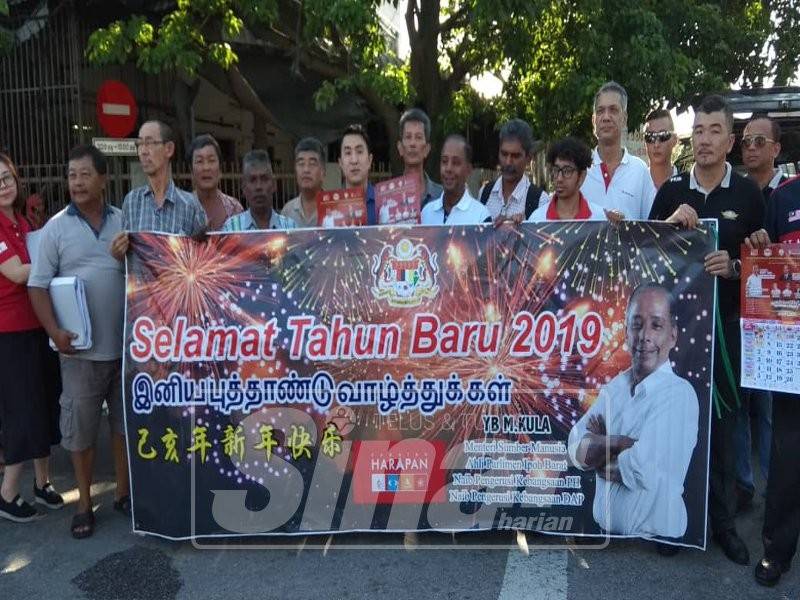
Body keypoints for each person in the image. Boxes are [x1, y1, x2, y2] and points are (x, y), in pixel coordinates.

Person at [649, 94, 765, 565]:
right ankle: (672, 523)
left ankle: (722, 525)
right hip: (676, 337)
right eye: (697, 130)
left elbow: (764, 263)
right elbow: (645, 254)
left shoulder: (748, 195)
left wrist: (736, 266)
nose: (704, 139)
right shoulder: (672, 191)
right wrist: (669, 226)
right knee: (671, 428)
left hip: (728, 330)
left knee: (722, 429)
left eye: (714, 130)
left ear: (730, 140)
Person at [28, 145, 129, 538]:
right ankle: (84, 503)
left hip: (124, 349)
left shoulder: (123, 222)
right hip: (80, 353)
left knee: (123, 427)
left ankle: (122, 494)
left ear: (103, 179)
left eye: (85, 174)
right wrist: (54, 332)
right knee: (80, 432)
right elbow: (37, 287)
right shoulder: (56, 228)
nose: (77, 182)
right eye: (72, 175)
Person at [567, 283, 698, 539]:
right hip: (608, 544)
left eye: (656, 325)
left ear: (672, 335)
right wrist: (619, 442)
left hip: (657, 546)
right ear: (626, 332)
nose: (644, 336)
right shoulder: (614, 388)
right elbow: (574, 451)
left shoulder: (679, 394)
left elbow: (641, 468)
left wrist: (598, 446)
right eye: (636, 324)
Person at [0, 153, 63, 523]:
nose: (4, 185)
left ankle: (43, 483)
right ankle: (7, 492)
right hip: (10, 333)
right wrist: (56, 259)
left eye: (8, 178)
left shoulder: (22, 222)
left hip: (39, 325)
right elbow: (18, 273)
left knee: (44, 402)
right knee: (22, 408)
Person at [746, 174, 800, 587]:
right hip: (791, 346)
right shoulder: (784, 196)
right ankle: (776, 551)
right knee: (787, 456)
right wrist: (757, 250)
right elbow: (765, 263)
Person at [110, 120, 207, 260]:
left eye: (149, 143)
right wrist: (118, 252)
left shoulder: (190, 206)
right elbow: (128, 260)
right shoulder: (131, 202)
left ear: (169, 149)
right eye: (140, 144)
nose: (143, 151)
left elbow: (202, 260)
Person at [581, 81, 655, 220]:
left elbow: (653, 227)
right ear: (593, 121)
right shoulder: (580, 170)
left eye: (613, 110)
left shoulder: (640, 171)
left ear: (624, 119)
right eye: (600, 111)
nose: (606, 117)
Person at [478, 118, 548, 223]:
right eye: (504, 154)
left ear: (528, 158)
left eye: (515, 156)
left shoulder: (540, 200)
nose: (508, 162)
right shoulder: (484, 193)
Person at [527, 137, 606, 222]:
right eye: (556, 170)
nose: (559, 178)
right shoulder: (537, 219)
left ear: (581, 176)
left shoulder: (598, 218)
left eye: (567, 171)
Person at [420, 134, 491, 225]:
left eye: (456, 163)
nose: (448, 169)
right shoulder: (426, 213)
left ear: (468, 170)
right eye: (445, 161)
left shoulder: (481, 216)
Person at [223, 150, 297, 231]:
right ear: (243, 187)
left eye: (264, 179)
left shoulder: (290, 228)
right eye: (252, 180)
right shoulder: (231, 229)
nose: (258, 186)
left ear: (274, 185)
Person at [190, 134, 243, 231]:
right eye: (199, 161)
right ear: (191, 171)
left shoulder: (234, 209)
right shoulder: (182, 209)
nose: (206, 167)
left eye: (211, 160)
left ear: (220, 170)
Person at [396, 108, 442, 208]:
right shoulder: (389, 197)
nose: (413, 144)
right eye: (408, 137)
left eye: (418, 137)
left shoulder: (442, 196)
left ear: (427, 149)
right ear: (400, 147)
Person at [742, 115, 788, 204]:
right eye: (746, 141)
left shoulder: (792, 191)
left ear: (776, 150)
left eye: (759, 141)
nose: (751, 147)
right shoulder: (733, 191)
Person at [338, 124, 377, 225]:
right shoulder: (331, 206)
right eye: (348, 153)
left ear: (370, 160)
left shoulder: (383, 202)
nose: (354, 160)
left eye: (359, 152)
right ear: (341, 163)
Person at [282, 137, 326, 227]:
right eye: (301, 164)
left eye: (312, 164)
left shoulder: (334, 209)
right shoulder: (287, 211)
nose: (306, 170)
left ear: (323, 172)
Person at [643, 109, 679, 189]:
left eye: (663, 136)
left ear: (675, 140)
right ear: (644, 142)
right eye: (650, 137)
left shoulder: (687, 186)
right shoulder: (636, 185)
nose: (656, 144)